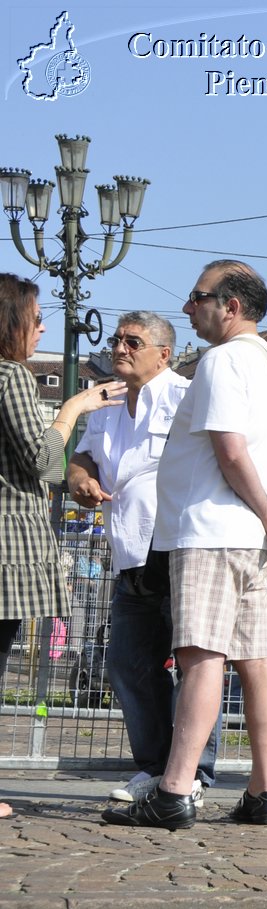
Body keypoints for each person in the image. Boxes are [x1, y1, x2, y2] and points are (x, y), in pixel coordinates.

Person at [103, 260, 267, 830]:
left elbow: (229, 448)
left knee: (199, 657)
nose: (188, 308)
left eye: (198, 297)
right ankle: (263, 791)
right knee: (256, 660)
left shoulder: (221, 361)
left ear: (231, 306)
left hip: (212, 531)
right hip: (252, 538)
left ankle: (173, 791)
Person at [68, 311, 219, 806]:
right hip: (128, 550)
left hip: (181, 547)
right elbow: (84, 455)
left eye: (132, 341)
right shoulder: (105, 402)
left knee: (195, 666)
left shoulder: (186, 396)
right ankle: (154, 767)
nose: (119, 348)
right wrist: (81, 478)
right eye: (116, 339)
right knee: (129, 664)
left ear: (163, 354)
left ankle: (193, 773)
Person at [0, 275, 126, 817]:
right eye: (35, 316)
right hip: (8, 542)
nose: (43, 325)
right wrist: (74, 408)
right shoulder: (11, 378)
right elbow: (46, 462)